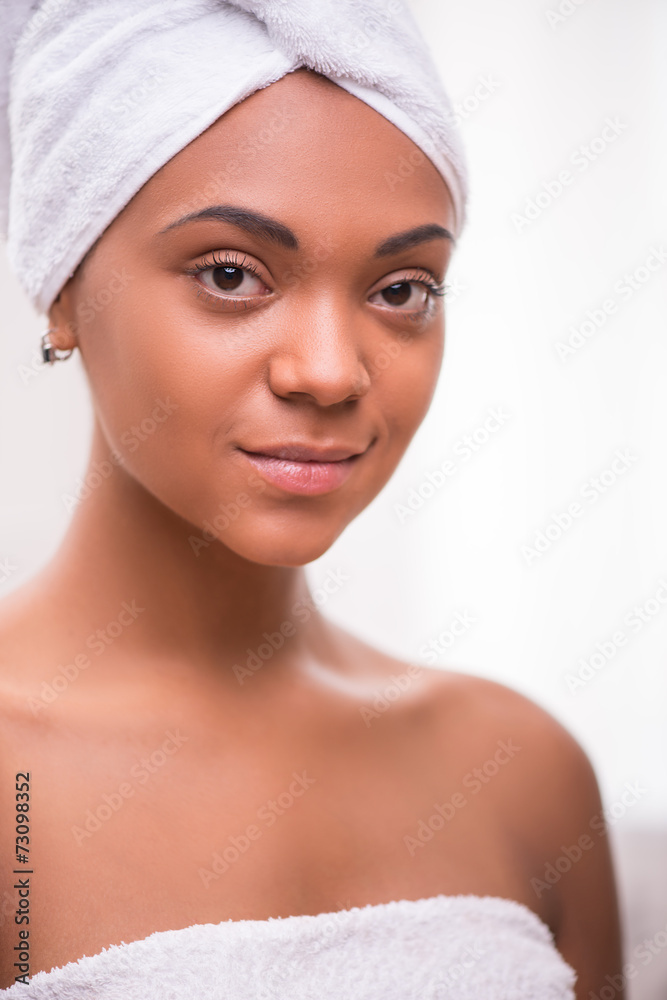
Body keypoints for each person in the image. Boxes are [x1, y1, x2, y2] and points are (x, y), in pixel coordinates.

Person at [0, 1, 623, 996]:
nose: (331, 373)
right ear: (65, 285)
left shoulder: (523, 772)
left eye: (401, 289)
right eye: (231, 274)